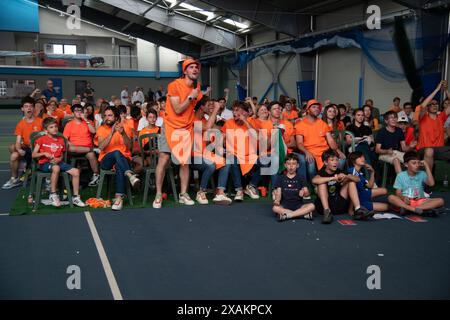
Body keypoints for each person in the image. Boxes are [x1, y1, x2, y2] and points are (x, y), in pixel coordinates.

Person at [152, 59, 203, 208]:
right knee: (163, 158)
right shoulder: (174, 85)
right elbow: (178, 109)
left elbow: (193, 108)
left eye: (196, 67)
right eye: (191, 67)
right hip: (170, 127)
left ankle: (183, 194)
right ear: (185, 71)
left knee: (184, 162)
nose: (195, 69)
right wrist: (191, 96)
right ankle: (158, 194)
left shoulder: (197, 87)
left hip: (186, 129)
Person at [32, 117, 86, 208]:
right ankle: (53, 194)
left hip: (58, 163)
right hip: (45, 164)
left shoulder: (61, 140)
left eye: (56, 126)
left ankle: (75, 197)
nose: (55, 129)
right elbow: (34, 154)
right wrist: (44, 153)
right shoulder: (41, 139)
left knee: (76, 171)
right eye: (51, 127)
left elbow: (61, 155)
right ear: (46, 130)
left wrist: (59, 159)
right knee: (56, 168)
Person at [95, 106, 140, 211]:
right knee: (116, 152)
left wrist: (123, 133)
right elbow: (101, 147)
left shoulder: (126, 127)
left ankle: (118, 198)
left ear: (116, 117)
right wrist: (111, 133)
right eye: (105, 116)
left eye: (110, 115)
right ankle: (130, 175)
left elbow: (130, 147)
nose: (107, 118)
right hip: (106, 161)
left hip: (124, 160)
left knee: (120, 165)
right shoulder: (101, 129)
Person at [312, 149, 375, 224]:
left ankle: (358, 210)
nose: (335, 162)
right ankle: (327, 212)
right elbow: (314, 180)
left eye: (337, 160)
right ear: (325, 162)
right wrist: (333, 178)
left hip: (339, 203)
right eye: (332, 160)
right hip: (324, 205)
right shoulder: (322, 172)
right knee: (321, 183)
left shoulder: (340, 171)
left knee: (351, 181)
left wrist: (346, 176)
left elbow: (357, 179)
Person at [295, 99, 346, 183]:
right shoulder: (300, 125)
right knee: (311, 166)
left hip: (325, 151)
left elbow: (330, 141)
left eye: (318, 108)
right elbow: (299, 143)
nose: (316, 109)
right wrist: (306, 152)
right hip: (310, 151)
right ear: (308, 109)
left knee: (342, 160)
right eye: (313, 107)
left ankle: (334, 182)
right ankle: (315, 185)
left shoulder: (322, 123)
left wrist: (338, 151)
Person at [2, 97, 43, 189]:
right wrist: (20, 149)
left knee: (13, 150)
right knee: (14, 155)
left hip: (38, 150)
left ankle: (27, 168)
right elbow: (18, 141)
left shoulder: (41, 122)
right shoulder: (20, 124)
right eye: (26, 106)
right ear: (22, 109)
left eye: (31, 106)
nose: (29, 108)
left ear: (34, 108)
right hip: (27, 150)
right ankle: (14, 179)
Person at [388, 151, 444, 216]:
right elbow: (398, 192)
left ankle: (410, 209)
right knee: (391, 197)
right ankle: (417, 209)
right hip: (407, 201)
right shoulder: (401, 175)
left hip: (420, 201)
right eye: (414, 163)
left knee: (440, 201)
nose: (417, 165)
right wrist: (403, 198)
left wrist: (426, 166)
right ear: (406, 164)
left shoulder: (422, 173)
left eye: (418, 163)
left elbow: (431, 184)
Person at [415, 80, 450, 171]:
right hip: (424, 149)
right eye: (432, 104)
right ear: (428, 107)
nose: (435, 105)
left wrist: (446, 90)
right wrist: (437, 89)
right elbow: (422, 105)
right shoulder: (423, 117)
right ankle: (428, 179)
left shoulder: (441, 117)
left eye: (436, 104)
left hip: (439, 150)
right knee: (429, 150)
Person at [63, 104, 100, 187]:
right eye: (76, 110)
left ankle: (96, 176)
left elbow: (93, 131)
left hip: (86, 148)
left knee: (91, 154)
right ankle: (92, 150)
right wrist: (70, 144)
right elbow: (64, 139)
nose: (79, 112)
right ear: (73, 113)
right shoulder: (69, 124)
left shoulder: (87, 122)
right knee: (71, 148)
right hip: (74, 148)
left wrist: (85, 119)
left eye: (80, 110)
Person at [272, 153, 315, 222]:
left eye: (293, 164)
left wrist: (304, 192)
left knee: (312, 206)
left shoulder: (301, 177)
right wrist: (277, 200)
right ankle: (302, 214)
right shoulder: (281, 178)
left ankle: (288, 215)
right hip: (285, 205)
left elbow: (307, 194)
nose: (291, 166)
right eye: (288, 164)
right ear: (285, 165)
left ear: (297, 165)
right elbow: (279, 193)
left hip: (299, 205)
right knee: (275, 208)